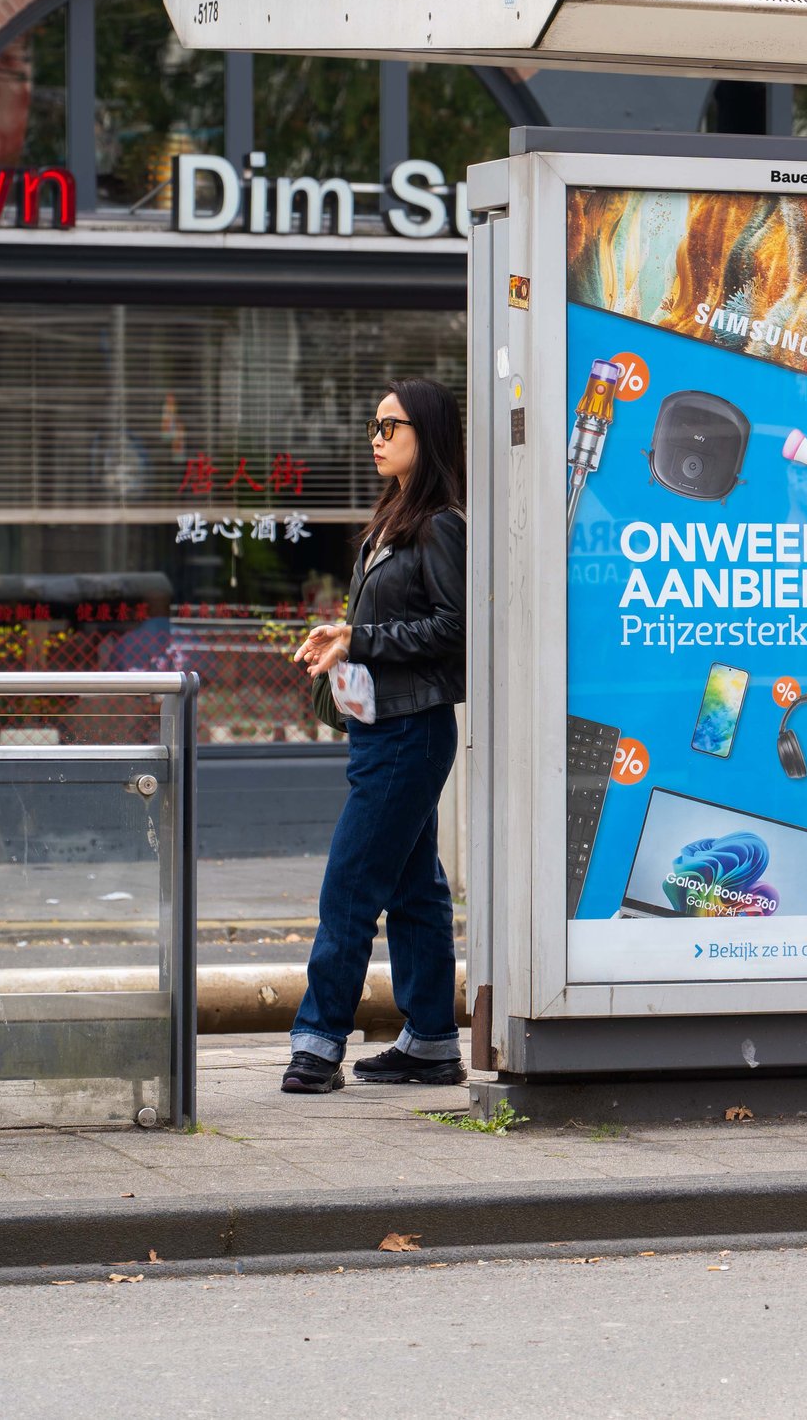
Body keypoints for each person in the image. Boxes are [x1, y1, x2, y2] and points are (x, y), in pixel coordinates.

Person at [282, 377, 469, 1095]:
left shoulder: (440, 523)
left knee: (352, 883)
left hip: (410, 732)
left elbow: (453, 629)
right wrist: (343, 638)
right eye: (373, 424)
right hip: (382, 729)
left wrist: (358, 637)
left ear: (427, 434)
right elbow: (394, 626)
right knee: (416, 890)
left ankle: (319, 1040)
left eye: (391, 425)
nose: (377, 436)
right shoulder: (393, 518)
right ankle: (429, 1042)